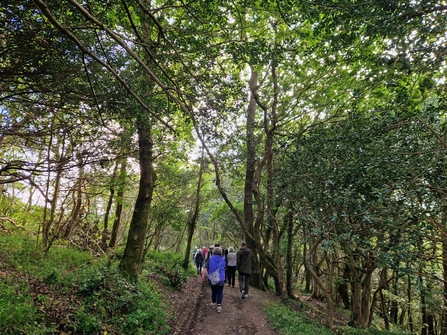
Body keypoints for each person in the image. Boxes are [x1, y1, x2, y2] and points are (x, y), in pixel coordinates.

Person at [202, 247, 226, 313]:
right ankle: (219, 307)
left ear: (213, 252)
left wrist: (203, 275)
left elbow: (205, 268)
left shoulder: (210, 259)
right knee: (220, 292)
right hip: (221, 278)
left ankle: (213, 303)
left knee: (214, 291)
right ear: (220, 252)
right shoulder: (223, 259)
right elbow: (225, 267)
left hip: (212, 277)